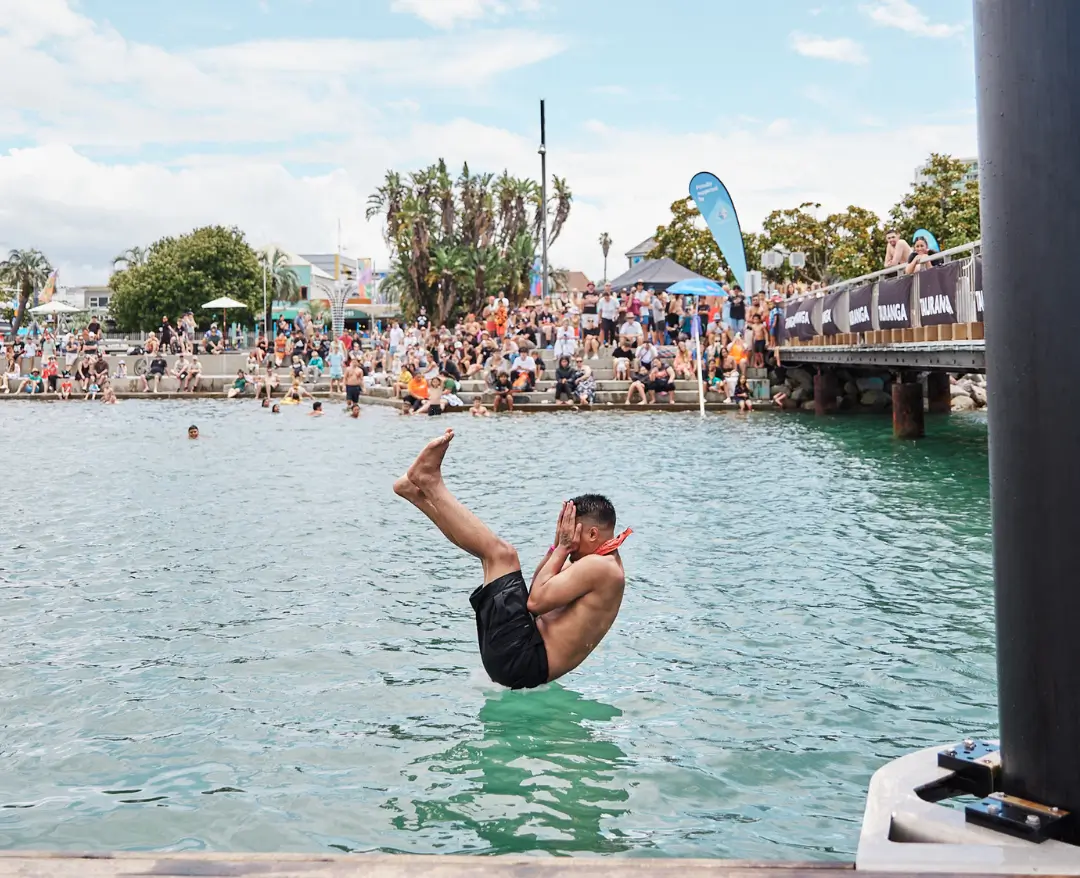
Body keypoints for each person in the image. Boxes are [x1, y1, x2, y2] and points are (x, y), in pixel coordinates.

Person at [393, 431, 630, 689]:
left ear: (593, 533)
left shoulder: (602, 568)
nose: (568, 536)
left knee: (501, 555)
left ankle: (429, 482)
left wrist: (563, 549)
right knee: (490, 559)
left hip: (524, 660)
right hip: (522, 657)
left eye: (572, 528)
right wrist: (555, 547)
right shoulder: (597, 562)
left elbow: (536, 601)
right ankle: (417, 494)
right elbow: (540, 586)